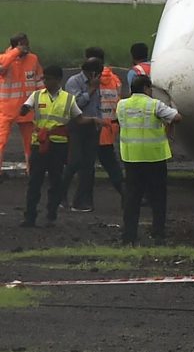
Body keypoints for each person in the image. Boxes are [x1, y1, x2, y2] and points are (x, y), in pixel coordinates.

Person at [19, 66, 96, 227]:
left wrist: (95, 120)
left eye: (49, 79)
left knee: (56, 181)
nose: (45, 82)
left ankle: (51, 214)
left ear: (58, 80)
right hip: (39, 144)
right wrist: (24, 109)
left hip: (58, 146)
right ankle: (30, 216)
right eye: (44, 78)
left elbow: (79, 119)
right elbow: (25, 108)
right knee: (34, 181)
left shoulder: (68, 99)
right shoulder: (37, 95)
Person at [116, 76, 180, 244]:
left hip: (131, 157)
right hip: (154, 157)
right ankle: (158, 233)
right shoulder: (154, 104)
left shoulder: (121, 105)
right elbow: (177, 118)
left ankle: (129, 235)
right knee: (158, 197)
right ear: (146, 88)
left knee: (132, 198)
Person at [62, 52, 124, 212]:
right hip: (77, 126)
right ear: (92, 72)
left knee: (88, 166)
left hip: (93, 127)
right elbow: (75, 105)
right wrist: (90, 90)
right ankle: (60, 194)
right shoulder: (74, 82)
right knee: (75, 162)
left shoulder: (96, 83)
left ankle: (83, 202)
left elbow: (97, 105)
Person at [0, 34, 42, 173]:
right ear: (17, 45)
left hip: (26, 108)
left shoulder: (33, 59)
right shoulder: (5, 58)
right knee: (1, 141)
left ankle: (32, 170)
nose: (28, 46)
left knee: (30, 142)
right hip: (6, 109)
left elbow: (39, 81)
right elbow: (3, 66)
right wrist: (16, 51)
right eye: (25, 44)